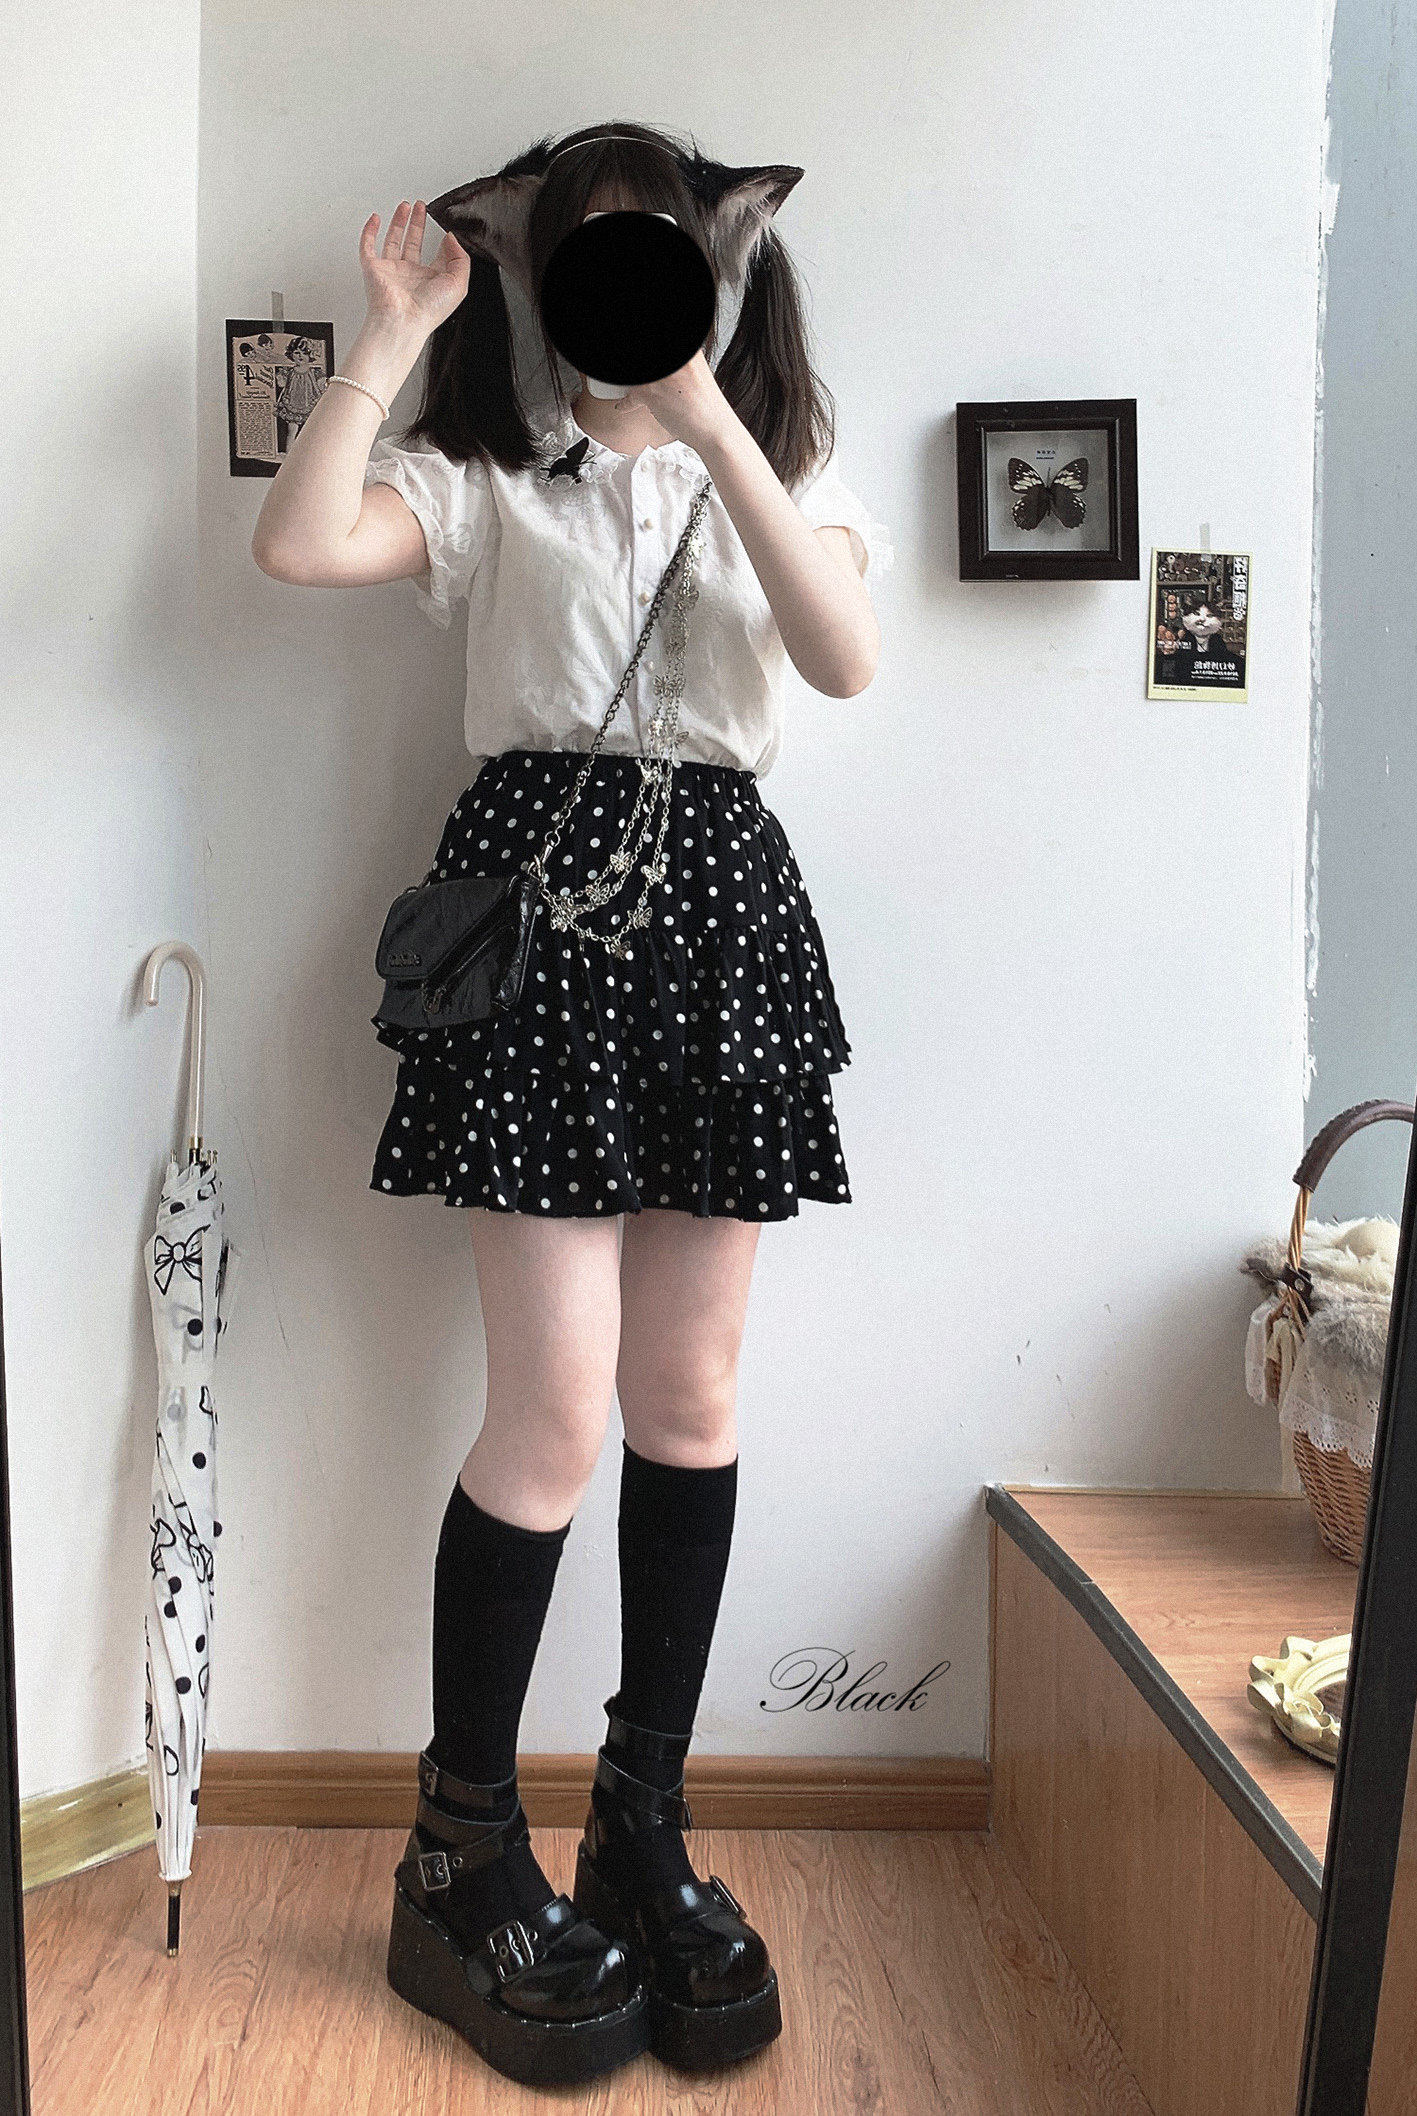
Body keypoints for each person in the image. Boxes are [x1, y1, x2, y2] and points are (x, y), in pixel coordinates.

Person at [251, 120, 890, 2088]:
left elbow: (843, 660)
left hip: (722, 926)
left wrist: (702, 417)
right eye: (584, 250)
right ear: (541, 275)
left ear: (714, 265)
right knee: (547, 1414)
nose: (618, 277)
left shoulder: (783, 471)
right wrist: (390, 329)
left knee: (687, 1401)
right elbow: (300, 543)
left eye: (652, 247)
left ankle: (642, 1816)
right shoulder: (490, 481)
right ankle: (458, 1849)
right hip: (536, 930)